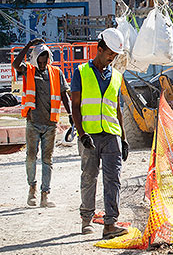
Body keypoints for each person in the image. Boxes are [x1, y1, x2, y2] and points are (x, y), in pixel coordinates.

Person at [71, 28, 129, 239]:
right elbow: (75, 106)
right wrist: (82, 134)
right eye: (109, 54)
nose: (112, 59)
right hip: (90, 135)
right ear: (100, 49)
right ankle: (86, 220)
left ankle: (110, 224)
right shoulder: (81, 73)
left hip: (111, 135)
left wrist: (123, 138)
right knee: (89, 177)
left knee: (113, 179)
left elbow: (117, 109)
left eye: (115, 55)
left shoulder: (116, 76)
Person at [12, 38, 71, 207]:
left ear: (49, 59)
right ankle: (32, 189)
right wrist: (29, 45)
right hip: (33, 122)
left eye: (45, 61)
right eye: (40, 60)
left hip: (50, 124)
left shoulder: (56, 73)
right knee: (31, 157)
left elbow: (63, 95)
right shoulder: (29, 70)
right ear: (35, 59)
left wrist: (71, 114)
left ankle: (45, 194)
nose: (43, 64)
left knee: (47, 160)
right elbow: (16, 64)